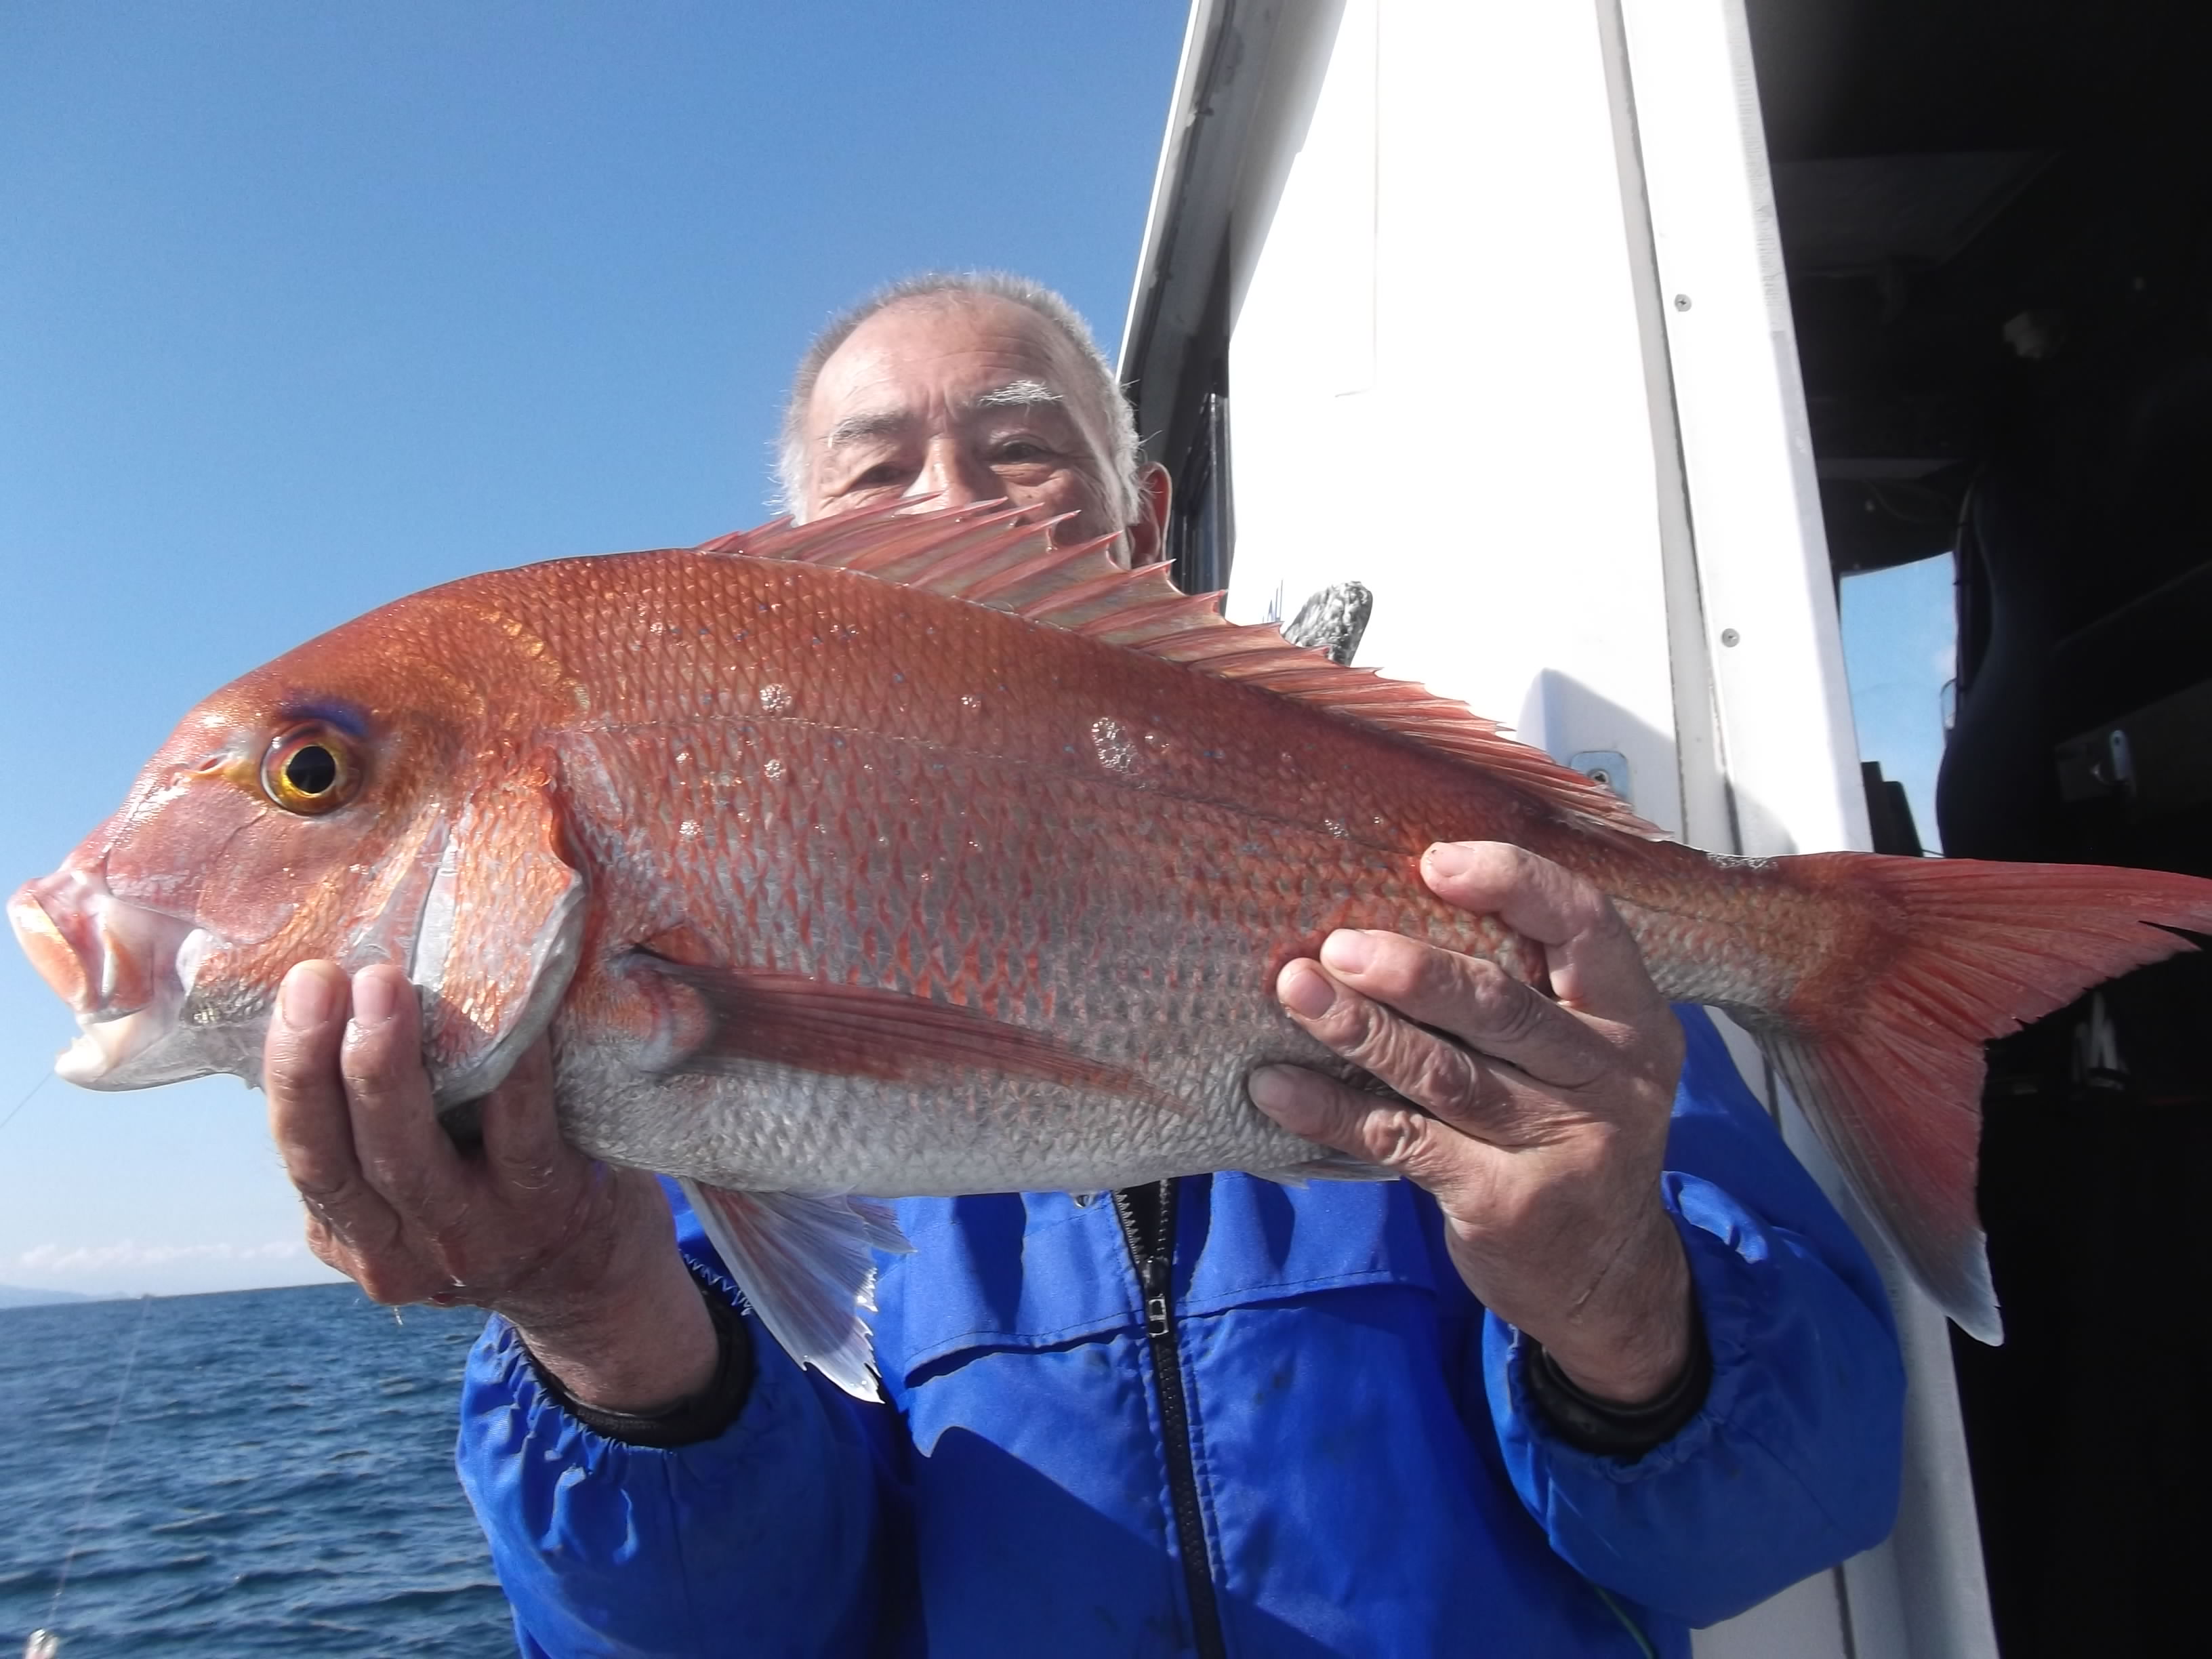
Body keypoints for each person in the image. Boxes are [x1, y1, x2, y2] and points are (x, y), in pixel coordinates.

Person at [262, 272, 1904, 1658]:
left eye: (1023, 447)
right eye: (878, 472)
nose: (955, 505)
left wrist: (1616, 1297)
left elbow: (1784, 1522)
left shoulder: (1501, 962)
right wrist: (607, 1328)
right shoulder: (664, 1049)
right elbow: (737, 1630)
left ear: (1149, 519)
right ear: (786, 560)